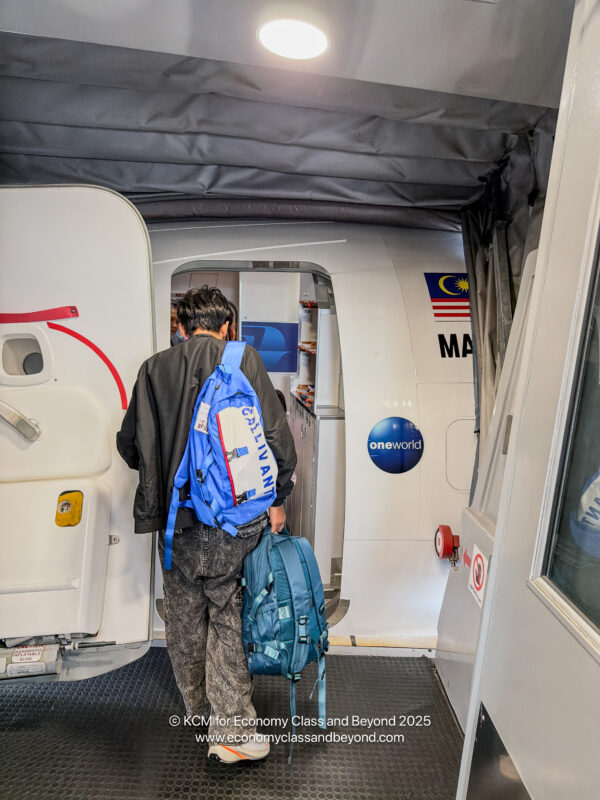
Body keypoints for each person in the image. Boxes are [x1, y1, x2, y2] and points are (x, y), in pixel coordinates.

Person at [116, 286, 297, 763]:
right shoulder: (245, 360)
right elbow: (277, 439)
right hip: (235, 522)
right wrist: (279, 498)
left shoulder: (153, 369)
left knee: (183, 619)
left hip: (177, 525)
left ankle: (198, 711)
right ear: (227, 327)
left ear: (180, 327)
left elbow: (129, 444)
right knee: (229, 615)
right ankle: (233, 728)